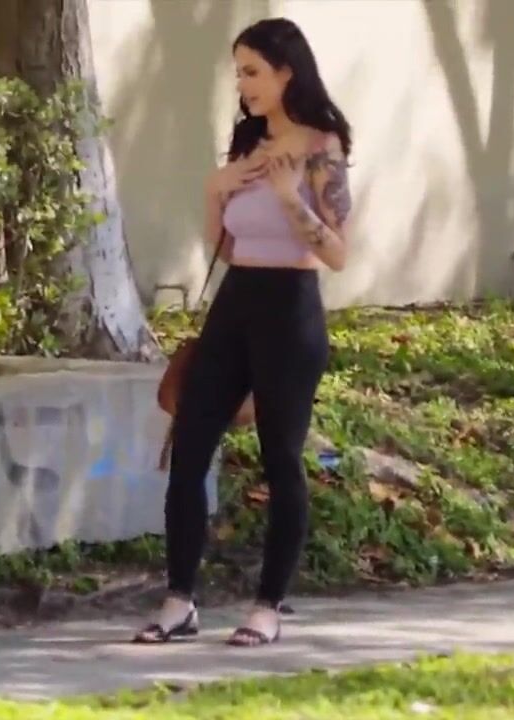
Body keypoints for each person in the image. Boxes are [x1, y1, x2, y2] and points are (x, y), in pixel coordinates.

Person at [134, 17, 353, 647]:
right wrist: (215, 190)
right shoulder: (248, 142)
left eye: (253, 71)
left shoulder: (322, 147)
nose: (244, 84)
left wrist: (290, 197)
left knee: (281, 457)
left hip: (291, 310)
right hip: (235, 306)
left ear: (286, 73)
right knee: (189, 449)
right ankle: (180, 601)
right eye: (239, 73)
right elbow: (228, 247)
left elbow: (338, 253)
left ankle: (267, 606)